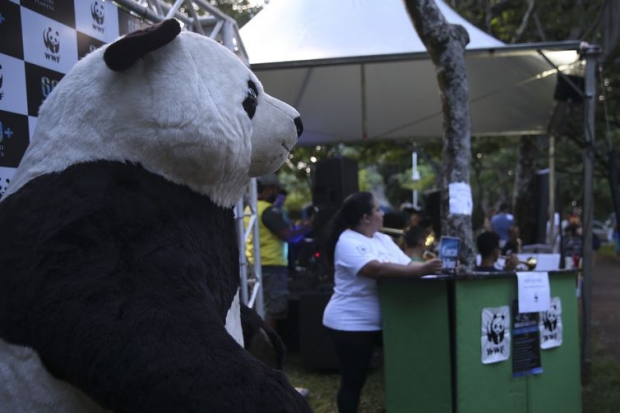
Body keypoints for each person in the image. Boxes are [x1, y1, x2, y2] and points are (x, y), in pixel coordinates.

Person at [321, 191, 442, 413]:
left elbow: (407, 265)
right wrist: (421, 271)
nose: (382, 214)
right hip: (350, 323)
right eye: (378, 209)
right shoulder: (347, 241)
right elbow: (376, 269)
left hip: (385, 321)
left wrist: (435, 268)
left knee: (407, 365)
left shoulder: (383, 239)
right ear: (366, 217)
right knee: (353, 381)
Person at [244, 174, 312, 329]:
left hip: (255, 265)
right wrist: (308, 227)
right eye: (277, 190)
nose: (278, 194)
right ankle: (265, 350)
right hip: (271, 267)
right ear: (269, 189)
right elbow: (289, 236)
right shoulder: (268, 211)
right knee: (272, 311)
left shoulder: (251, 208)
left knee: (259, 309)